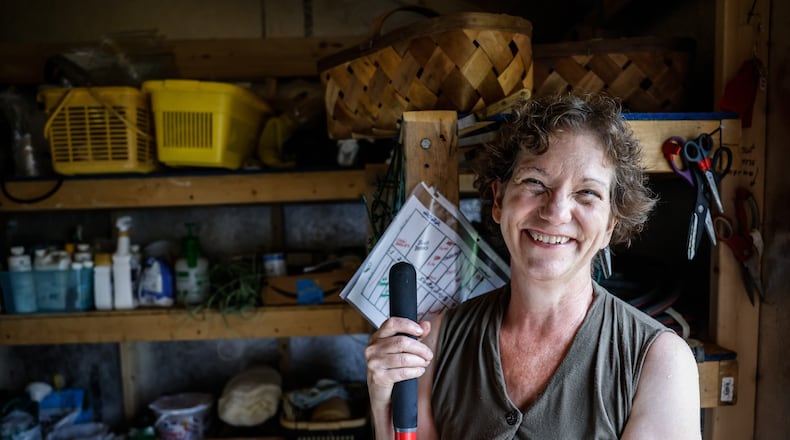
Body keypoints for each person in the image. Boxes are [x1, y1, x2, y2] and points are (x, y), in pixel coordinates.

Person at [365, 93, 701, 439]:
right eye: (535, 183)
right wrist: (382, 400)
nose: (555, 212)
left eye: (587, 193)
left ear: (610, 226)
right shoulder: (433, 344)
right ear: (499, 200)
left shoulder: (657, 362)